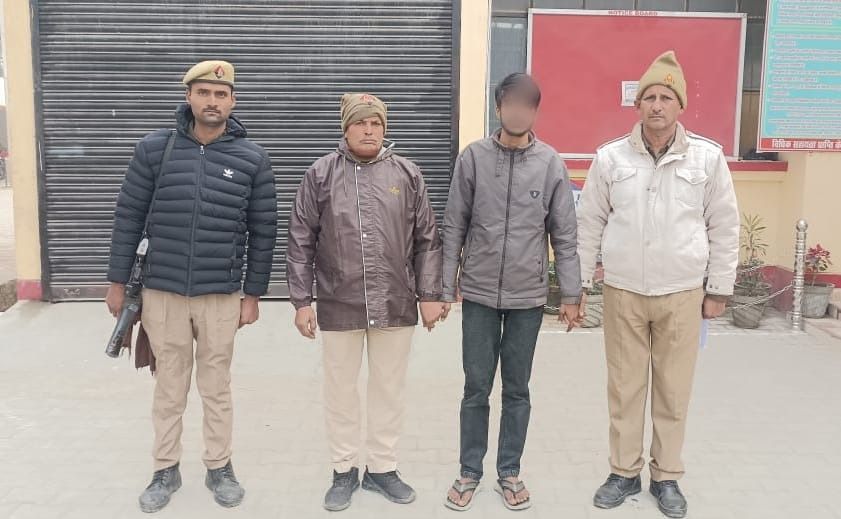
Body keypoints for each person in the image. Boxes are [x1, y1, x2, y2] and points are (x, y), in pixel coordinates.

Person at [105, 60, 278, 513]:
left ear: (233, 101)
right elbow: (128, 216)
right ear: (188, 97)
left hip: (220, 294)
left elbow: (264, 231)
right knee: (170, 386)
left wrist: (253, 294)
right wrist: (117, 282)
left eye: (221, 94)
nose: (212, 101)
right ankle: (165, 468)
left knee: (216, 386)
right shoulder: (154, 149)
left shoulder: (252, 159)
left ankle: (219, 467)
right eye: (203, 93)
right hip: (162, 292)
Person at [577, 51, 739, 519]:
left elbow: (724, 224)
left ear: (680, 105)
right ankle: (623, 472)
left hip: (682, 293)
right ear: (638, 104)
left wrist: (718, 289)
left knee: (672, 391)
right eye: (649, 97)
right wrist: (579, 284)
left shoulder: (707, 158)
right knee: (624, 389)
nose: (657, 105)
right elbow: (588, 223)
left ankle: (666, 476)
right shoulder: (611, 157)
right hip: (624, 292)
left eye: (666, 97)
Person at [286, 93, 447, 512]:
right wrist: (301, 300)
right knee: (340, 391)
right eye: (360, 123)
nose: (369, 130)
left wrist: (430, 295)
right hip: (339, 302)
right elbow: (301, 240)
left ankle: (382, 468)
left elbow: (428, 240)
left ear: (384, 128)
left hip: (395, 301)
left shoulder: (407, 173)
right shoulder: (321, 174)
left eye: (376, 123)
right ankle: (343, 470)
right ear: (346, 128)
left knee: (388, 390)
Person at [441, 73, 581, 511]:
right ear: (499, 107)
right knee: (476, 387)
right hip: (479, 294)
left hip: (527, 298)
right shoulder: (473, 158)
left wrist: (571, 295)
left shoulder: (550, 164)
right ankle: (469, 471)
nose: (518, 112)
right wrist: (445, 287)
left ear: (535, 112)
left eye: (527, 105)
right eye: (511, 103)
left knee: (517, 389)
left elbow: (565, 235)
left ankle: (509, 471)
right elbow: (454, 225)